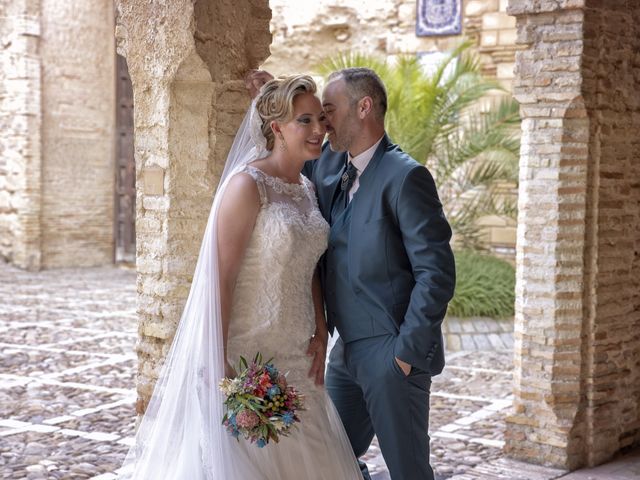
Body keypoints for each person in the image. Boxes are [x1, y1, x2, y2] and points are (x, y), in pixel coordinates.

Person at [120, 75, 362, 479]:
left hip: (298, 355)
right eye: (305, 121)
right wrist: (219, 367)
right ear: (277, 128)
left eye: (320, 118)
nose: (320, 129)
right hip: (249, 356)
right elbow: (222, 280)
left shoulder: (305, 188)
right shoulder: (246, 186)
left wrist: (321, 330)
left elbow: (310, 266)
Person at [249, 68, 456, 480]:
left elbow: (436, 272)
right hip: (345, 352)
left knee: (409, 471)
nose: (323, 124)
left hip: (391, 350)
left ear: (363, 108)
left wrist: (405, 354)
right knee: (331, 457)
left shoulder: (406, 177)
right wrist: (273, 94)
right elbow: (285, 166)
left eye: (329, 111)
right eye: (318, 115)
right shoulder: (326, 167)